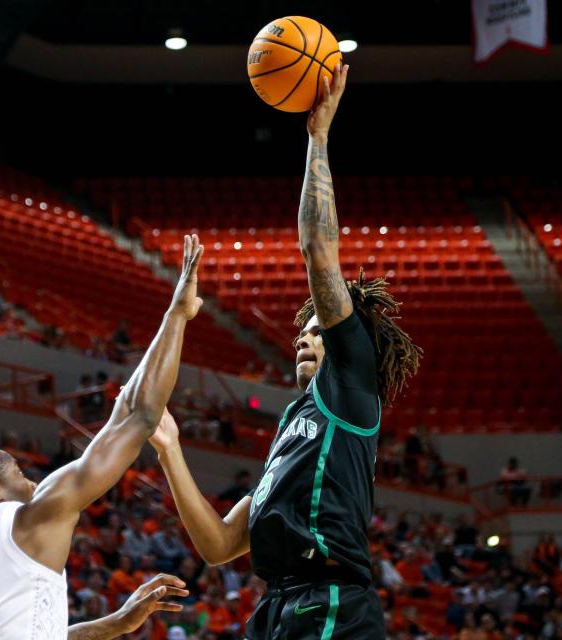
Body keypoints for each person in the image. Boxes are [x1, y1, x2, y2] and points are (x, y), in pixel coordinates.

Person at [150, 66, 422, 640]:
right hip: (277, 606)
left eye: (318, 329)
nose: (304, 336)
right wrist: (170, 449)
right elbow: (220, 545)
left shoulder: (351, 385)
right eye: (302, 331)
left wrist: (317, 137)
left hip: (329, 603)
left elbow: (318, 248)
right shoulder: (294, 427)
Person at [0, 235, 205, 639]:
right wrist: (177, 314)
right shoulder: (25, 519)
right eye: (18, 473)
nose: (33, 482)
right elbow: (138, 415)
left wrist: (116, 623)